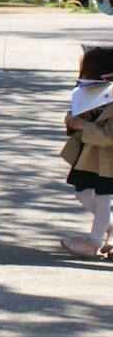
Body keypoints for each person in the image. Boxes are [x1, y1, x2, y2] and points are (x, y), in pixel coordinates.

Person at [58, 47, 113, 257]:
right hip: (88, 158)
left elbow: (109, 134)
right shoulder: (87, 94)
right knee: (82, 194)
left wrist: (84, 126)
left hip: (107, 160)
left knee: (102, 198)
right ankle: (110, 227)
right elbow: (74, 115)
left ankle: (92, 242)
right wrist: (72, 120)